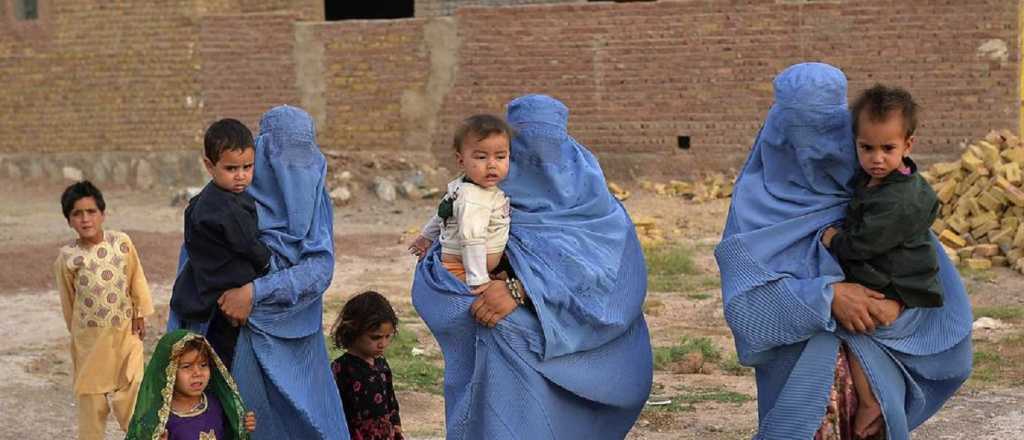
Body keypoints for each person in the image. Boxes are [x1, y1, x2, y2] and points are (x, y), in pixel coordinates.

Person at [715, 63, 972, 440]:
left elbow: (917, 270)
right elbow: (745, 305)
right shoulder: (755, 202)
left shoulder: (872, 188)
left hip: (874, 372)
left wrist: (895, 304)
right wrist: (826, 298)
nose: (814, 150)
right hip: (797, 377)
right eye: (800, 133)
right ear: (779, 128)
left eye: (825, 132)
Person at [411, 94, 652, 439]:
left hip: (572, 337)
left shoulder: (596, 207)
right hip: (498, 351)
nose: (539, 158)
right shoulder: (484, 196)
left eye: (551, 145)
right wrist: (477, 295)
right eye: (525, 145)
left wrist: (520, 290)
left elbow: (614, 279)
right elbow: (439, 270)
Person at [169, 105, 348, 439]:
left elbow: (320, 267)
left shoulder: (315, 198)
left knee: (308, 422)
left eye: (302, 155)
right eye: (282, 157)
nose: (292, 169)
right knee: (239, 421)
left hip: (294, 335)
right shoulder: (230, 194)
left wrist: (255, 292)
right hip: (231, 332)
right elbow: (194, 261)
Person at [820, 84, 941, 438]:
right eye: (866, 148)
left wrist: (833, 240)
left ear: (908, 145)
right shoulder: (878, 180)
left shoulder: (899, 199)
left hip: (896, 281)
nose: (876, 158)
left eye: (888, 149)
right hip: (891, 272)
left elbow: (864, 244)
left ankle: (872, 400)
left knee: (857, 332)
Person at [53, 180, 154, 440]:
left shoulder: (122, 243)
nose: (85, 219)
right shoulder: (67, 258)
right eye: (77, 214)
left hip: (124, 334)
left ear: (102, 214)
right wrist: (77, 336)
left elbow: (136, 277)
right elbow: (69, 301)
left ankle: (139, 436)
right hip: (90, 343)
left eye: (91, 211)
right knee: (92, 403)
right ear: (69, 221)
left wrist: (140, 312)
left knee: (132, 391)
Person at [171, 118, 270, 370]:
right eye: (231, 168)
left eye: (247, 167)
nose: (241, 176)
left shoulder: (206, 199)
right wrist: (268, 261)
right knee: (225, 362)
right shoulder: (227, 209)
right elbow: (249, 245)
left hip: (205, 291)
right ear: (209, 165)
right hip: (223, 297)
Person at [408, 114, 513, 293]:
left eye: (500, 157)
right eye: (481, 157)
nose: (491, 165)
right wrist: (479, 280)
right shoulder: (473, 197)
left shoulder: (464, 186)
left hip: (469, 266)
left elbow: (443, 213)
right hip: (462, 270)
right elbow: (471, 238)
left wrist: (425, 237)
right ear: (461, 160)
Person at [125, 330, 256, 440]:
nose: (197, 373)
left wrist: (242, 425)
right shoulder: (159, 419)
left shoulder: (218, 404)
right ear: (168, 373)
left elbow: (231, 433)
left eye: (203, 365)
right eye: (187, 367)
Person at [330, 291, 404, 440]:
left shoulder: (381, 364)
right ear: (354, 331)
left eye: (387, 337)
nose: (382, 344)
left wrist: (395, 423)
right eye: (375, 337)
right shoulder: (341, 368)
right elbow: (334, 408)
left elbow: (390, 398)